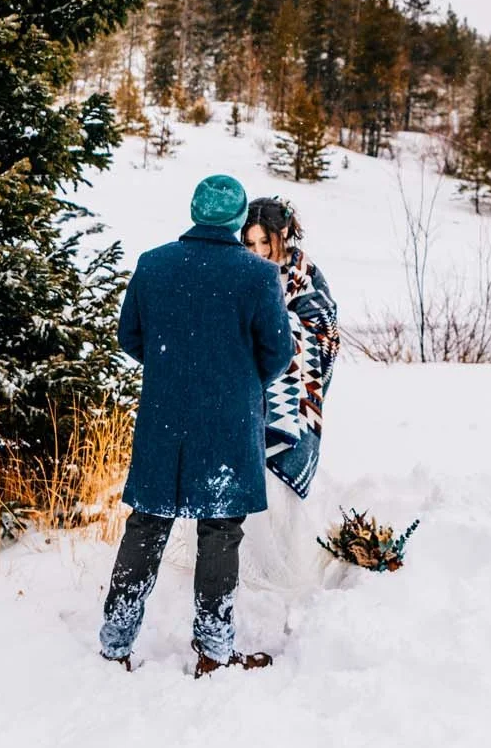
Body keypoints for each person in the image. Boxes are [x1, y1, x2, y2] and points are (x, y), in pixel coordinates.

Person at [99, 174, 292, 676]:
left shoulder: (153, 264)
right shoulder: (256, 276)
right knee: (220, 532)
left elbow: (130, 337)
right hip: (227, 424)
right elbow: (277, 355)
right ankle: (213, 650)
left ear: (194, 210)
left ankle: (116, 641)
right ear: (236, 219)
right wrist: (236, 379)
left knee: (146, 523)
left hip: (164, 418)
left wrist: (172, 372)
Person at [239, 197, 341, 589]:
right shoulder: (241, 271)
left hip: (294, 402)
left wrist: (281, 331)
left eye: (266, 242)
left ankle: (280, 574)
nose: (260, 252)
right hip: (247, 395)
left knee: (278, 491)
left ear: (283, 236)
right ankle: (243, 570)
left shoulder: (305, 275)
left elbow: (325, 331)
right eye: (251, 243)